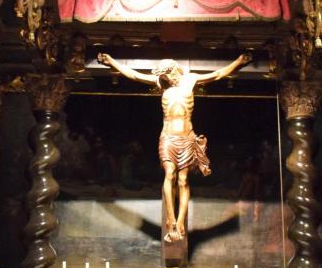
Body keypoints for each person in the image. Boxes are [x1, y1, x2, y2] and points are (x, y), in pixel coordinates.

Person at [97, 53, 251, 242]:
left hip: (186, 137)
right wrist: (112, 61)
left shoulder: (190, 80)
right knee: (170, 174)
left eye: (165, 75)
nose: (163, 78)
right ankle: (170, 221)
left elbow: (218, 74)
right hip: (168, 138)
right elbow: (134, 75)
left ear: (173, 71)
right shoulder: (161, 84)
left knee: (183, 180)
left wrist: (238, 61)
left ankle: (180, 222)